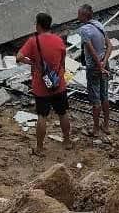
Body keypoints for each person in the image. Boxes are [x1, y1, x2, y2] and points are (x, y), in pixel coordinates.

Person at [16, 12, 71, 155]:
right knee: (63, 112)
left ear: (38, 25)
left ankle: (40, 148)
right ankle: (67, 141)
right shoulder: (59, 40)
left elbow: (19, 57)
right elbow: (63, 62)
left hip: (41, 86)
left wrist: (32, 62)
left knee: (42, 116)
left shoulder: (33, 41)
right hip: (58, 83)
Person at [77, 4, 111, 135]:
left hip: (94, 68)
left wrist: (99, 66)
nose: (77, 16)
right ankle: (106, 126)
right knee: (105, 96)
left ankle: (96, 129)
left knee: (95, 99)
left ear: (84, 16)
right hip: (104, 65)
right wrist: (104, 63)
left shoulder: (84, 30)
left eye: (79, 14)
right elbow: (110, 46)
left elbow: (91, 51)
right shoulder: (99, 25)